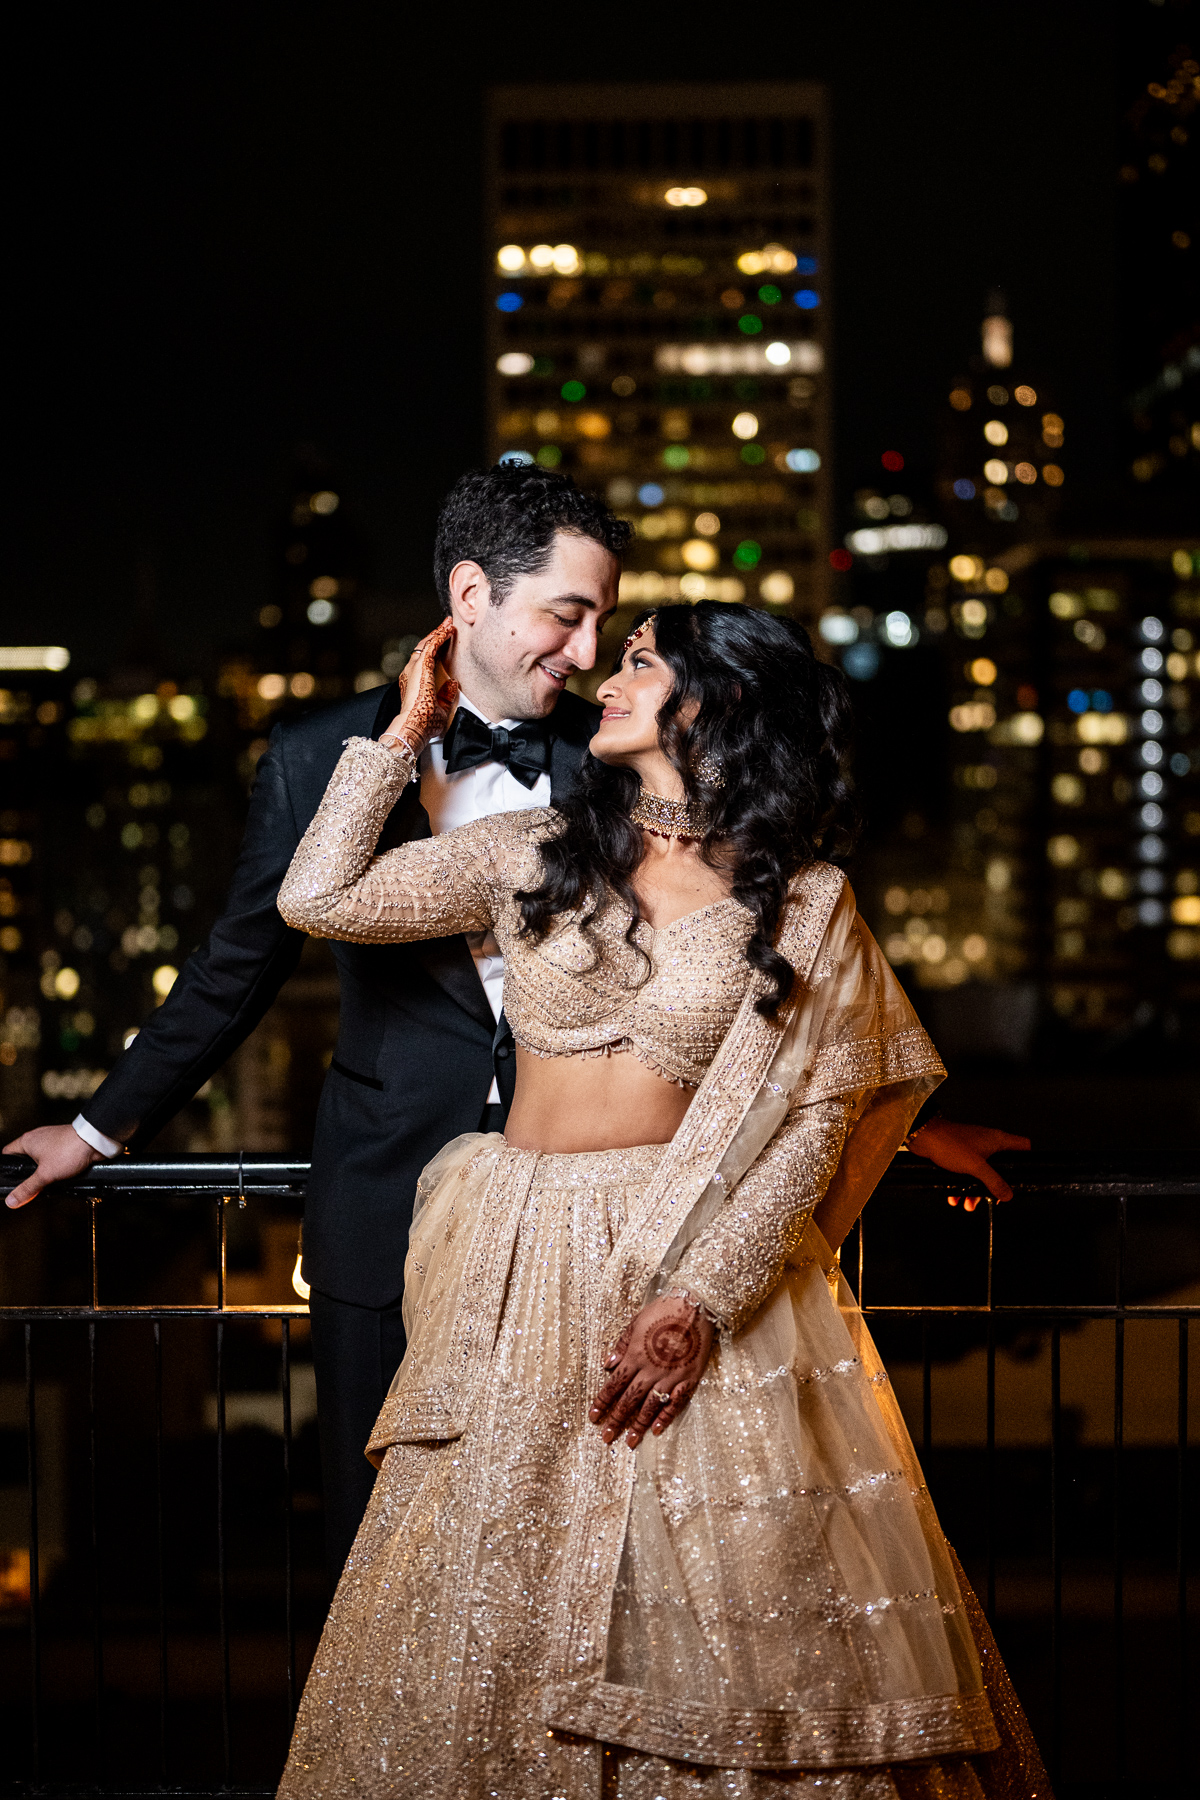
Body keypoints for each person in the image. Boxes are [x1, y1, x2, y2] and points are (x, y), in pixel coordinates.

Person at [3, 464, 1026, 1581]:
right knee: (391, 1557)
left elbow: (758, 1005)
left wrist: (913, 1127)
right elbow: (243, 961)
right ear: (474, 595)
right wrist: (96, 1131)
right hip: (405, 1206)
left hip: (643, 1234)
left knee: (624, 1554)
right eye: (570, 616)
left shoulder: (623, 759)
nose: (589, 658)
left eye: (612, 633)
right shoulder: (319, 756)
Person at [272, 604, 1049, 1799]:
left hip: (685, 1257)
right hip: (517, 1256)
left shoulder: (805, 903)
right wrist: (399, 736)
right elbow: (318, 900)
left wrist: (696, 1301)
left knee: (729, 1590)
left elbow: (814, 1124)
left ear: (720, 702)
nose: (608, 678)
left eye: (640, 662)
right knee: (484, 1584)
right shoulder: (531, 850)